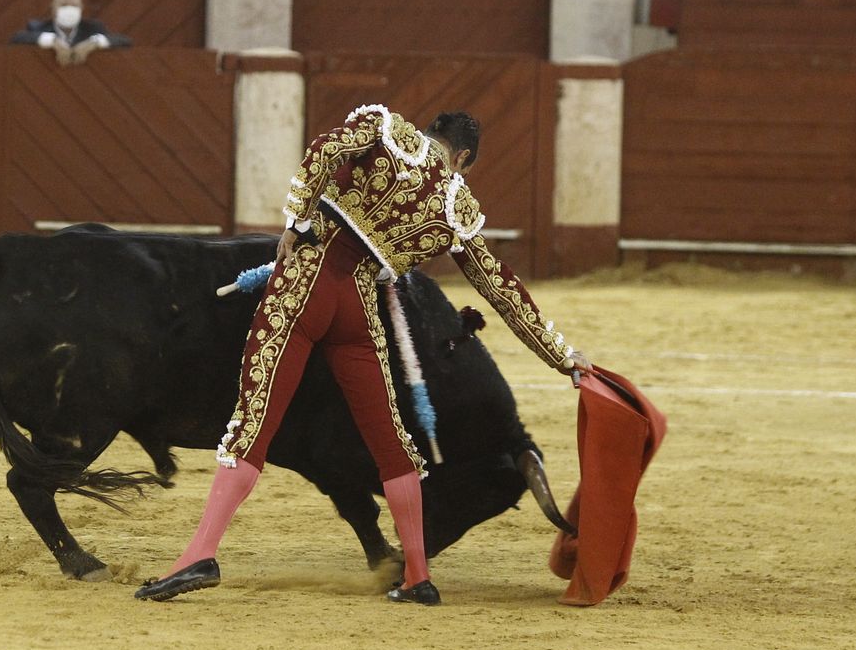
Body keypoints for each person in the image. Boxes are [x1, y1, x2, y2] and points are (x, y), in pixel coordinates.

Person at [133, 108, 593, 605]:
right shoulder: (454, 206)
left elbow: (323, 151)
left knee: (254, 422)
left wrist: (298, 220)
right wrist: (564, 356)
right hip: (358, 308)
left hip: (305, 283)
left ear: (433, 135)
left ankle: (199, 554)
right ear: (462, 156)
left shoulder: (387, 130)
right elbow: (503, 291)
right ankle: (418, 576)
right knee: (392, 444)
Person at [9, 0, 130, 64]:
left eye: (74, 6)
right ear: (53, 8)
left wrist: (93, 43)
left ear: (81, 9)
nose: (69, 10)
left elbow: (125, 41)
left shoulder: (93, 28)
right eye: (63, 5)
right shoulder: (38, 27)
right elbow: (17, 38)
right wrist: (53, 41)